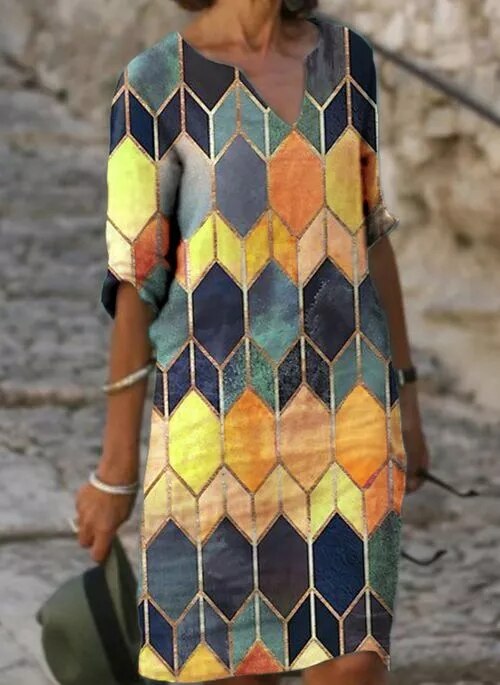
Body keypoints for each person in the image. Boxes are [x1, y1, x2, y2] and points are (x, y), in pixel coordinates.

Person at [75, 1, 431, 683]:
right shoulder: (154, 84)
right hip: (216, 433)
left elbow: (369, 232)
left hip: (349, 420)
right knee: (234, 665)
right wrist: (115, 470)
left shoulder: (346, 61)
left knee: (354, 662)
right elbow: (135, 281)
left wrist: (406, 397)